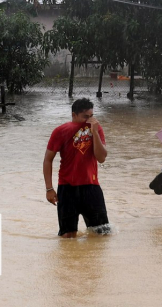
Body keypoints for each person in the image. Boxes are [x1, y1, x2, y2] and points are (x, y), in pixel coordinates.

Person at [43, 98, 109, 238]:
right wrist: (49, 188)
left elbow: (101, 158)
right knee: (68, 236)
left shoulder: (96, 128)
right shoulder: (60, 131)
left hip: (91, 187)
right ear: (74, 115)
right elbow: (48, 160)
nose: (90, 120)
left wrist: (95, 133)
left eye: (91, 116)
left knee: (102, 234)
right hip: (67, 188)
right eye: (85, 117)